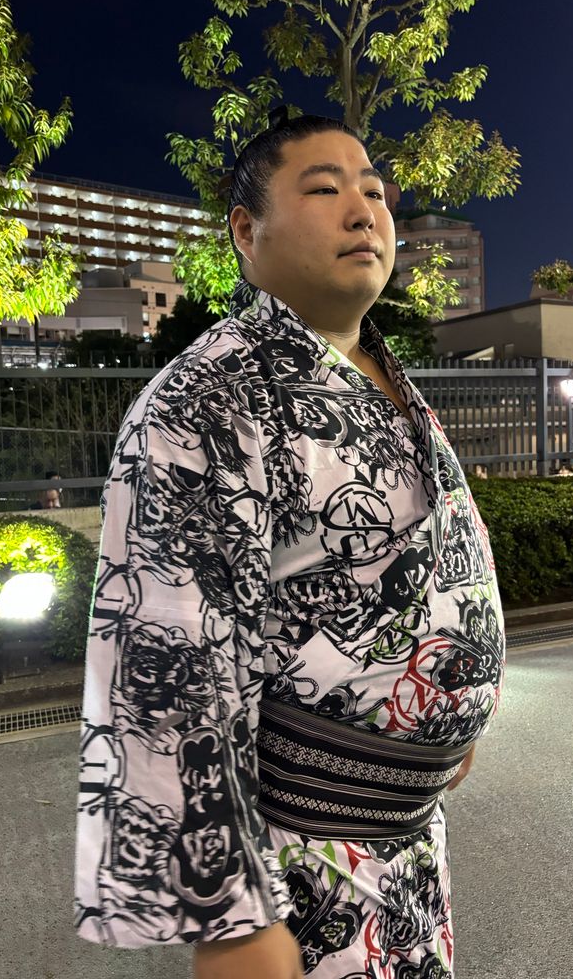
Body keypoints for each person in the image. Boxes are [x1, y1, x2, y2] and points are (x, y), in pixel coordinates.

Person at [74, 108, 505, 979]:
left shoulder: (381, 375)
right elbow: (171, 665)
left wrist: (443, 718)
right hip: (300, 864)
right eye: (325, 189)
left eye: (375, 191)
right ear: (245, 229)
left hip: (410, 846)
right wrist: (230, 919)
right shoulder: (202, 400)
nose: (364, 210)